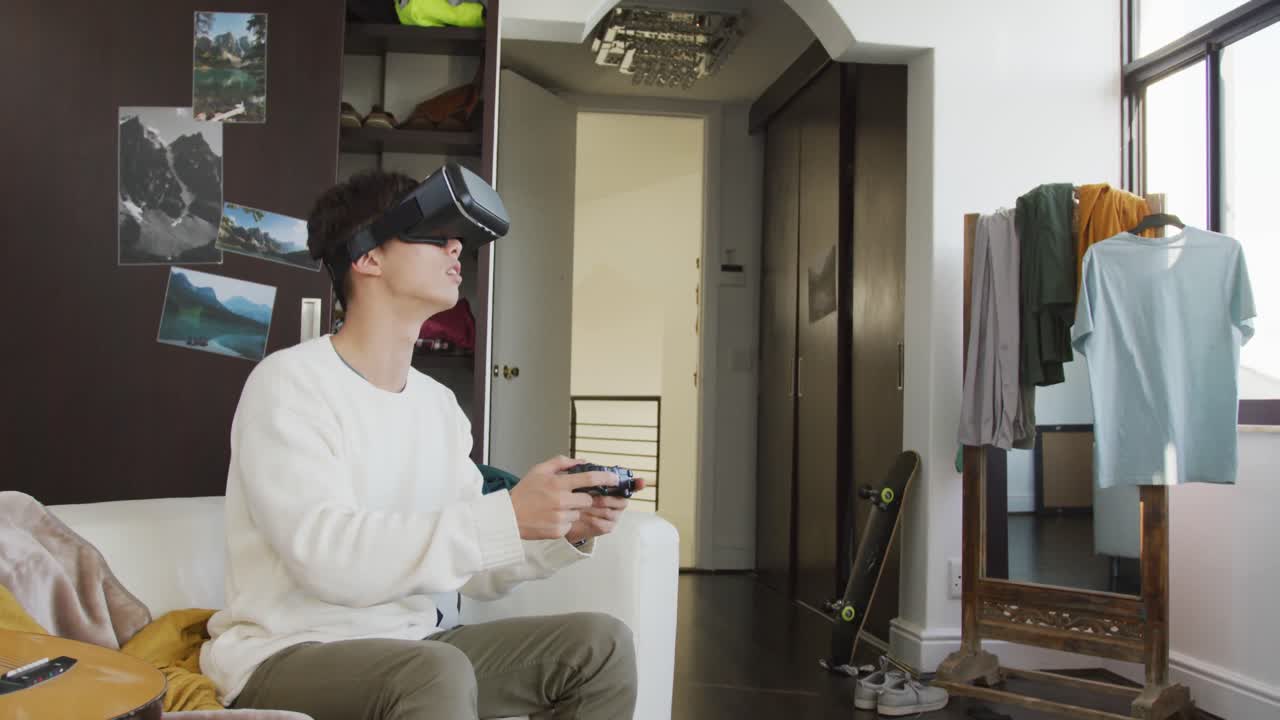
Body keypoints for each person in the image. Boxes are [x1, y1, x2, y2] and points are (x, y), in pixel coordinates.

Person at [200, 169, 641, 720]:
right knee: (435, 671)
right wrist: (504, 515)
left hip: (420, 651)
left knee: (600, 647)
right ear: (367, 258)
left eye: (456, 238)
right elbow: (327, 560)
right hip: (290, 655)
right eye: (435, 235)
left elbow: (471, 571)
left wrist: (558, 532)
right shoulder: (288, 383)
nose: (456, 246)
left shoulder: (439, 407)